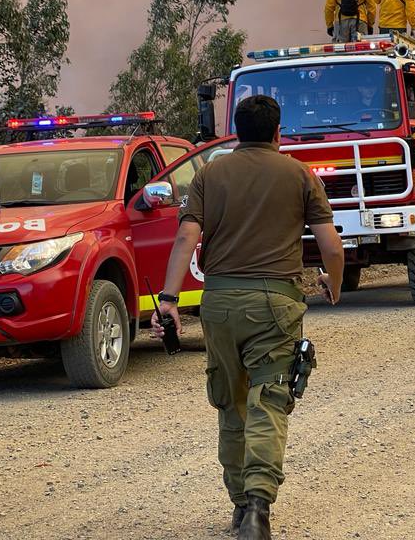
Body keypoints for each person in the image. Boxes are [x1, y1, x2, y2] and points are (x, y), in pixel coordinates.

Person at [153, 95, 345, 540]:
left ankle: (240, 505)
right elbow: (332, 247)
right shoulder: (300, 175)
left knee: (231, 403)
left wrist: (168, 299)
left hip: (219, 304)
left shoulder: (209, 173)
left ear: (237, 131)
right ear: (278, 132)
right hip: (275, 305)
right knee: (269, 401)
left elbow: (186, 237)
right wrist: (332, 284)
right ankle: (258, 508)